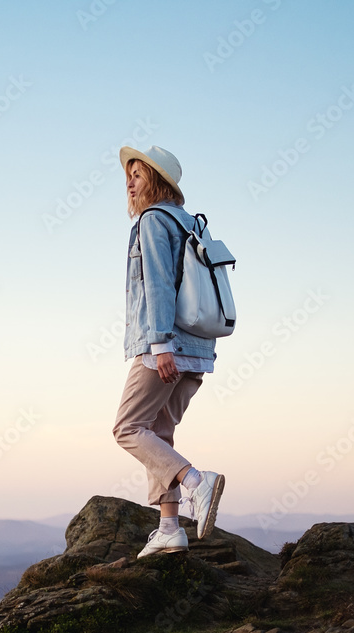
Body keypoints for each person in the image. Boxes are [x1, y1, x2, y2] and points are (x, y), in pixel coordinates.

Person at [112, 145, 225, 558]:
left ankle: (198, 483)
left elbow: (158, 284)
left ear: (157, 182)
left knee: (128, 427)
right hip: (198, 347)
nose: (129, 182)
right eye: (129, 174)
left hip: (167, 346)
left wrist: (159, 343)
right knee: (159, 432)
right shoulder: (191, 223)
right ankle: (169, 528)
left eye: (138, 175)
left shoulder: (153, 220)